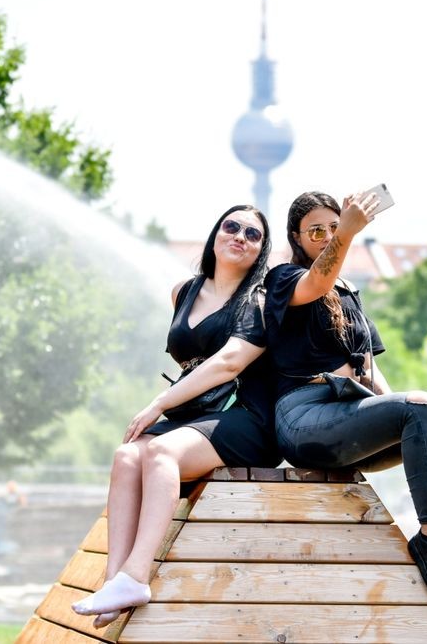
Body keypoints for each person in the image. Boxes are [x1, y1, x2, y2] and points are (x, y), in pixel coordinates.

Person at [263, 190, 427, 605]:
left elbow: (371, 370)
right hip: (303, 418)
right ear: (296, 238)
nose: (328, 236)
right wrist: (347, 232)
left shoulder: (349, 292)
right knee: (420, 403)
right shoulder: (284, 279)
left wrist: (408, 415)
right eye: (316, 231)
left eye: (333, 227)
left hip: (352, 412)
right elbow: (318, 281)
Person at [71, 205, 279, 627]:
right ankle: (113, 582)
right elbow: (190, 364)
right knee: (126, 455)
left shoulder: (258, 301)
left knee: (160, 452)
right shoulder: (183, 292)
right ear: (216, 234)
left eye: (253, 234)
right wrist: (168, 404)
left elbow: (228, 364)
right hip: (195, 414)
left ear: (261, 250)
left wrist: (159, 404)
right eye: (232, 226)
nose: (240, 236)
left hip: (247, 417)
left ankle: (136, 575)